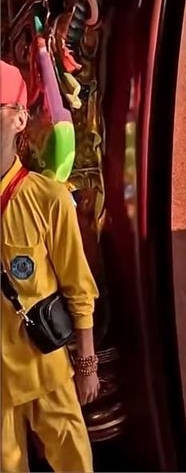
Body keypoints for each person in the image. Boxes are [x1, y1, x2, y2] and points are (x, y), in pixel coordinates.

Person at [1, 60, 99, 472]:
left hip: (44, 365)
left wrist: (87, 364)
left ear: (20, 117)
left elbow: (79, 284)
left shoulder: (48, 198)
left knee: (73, 461)